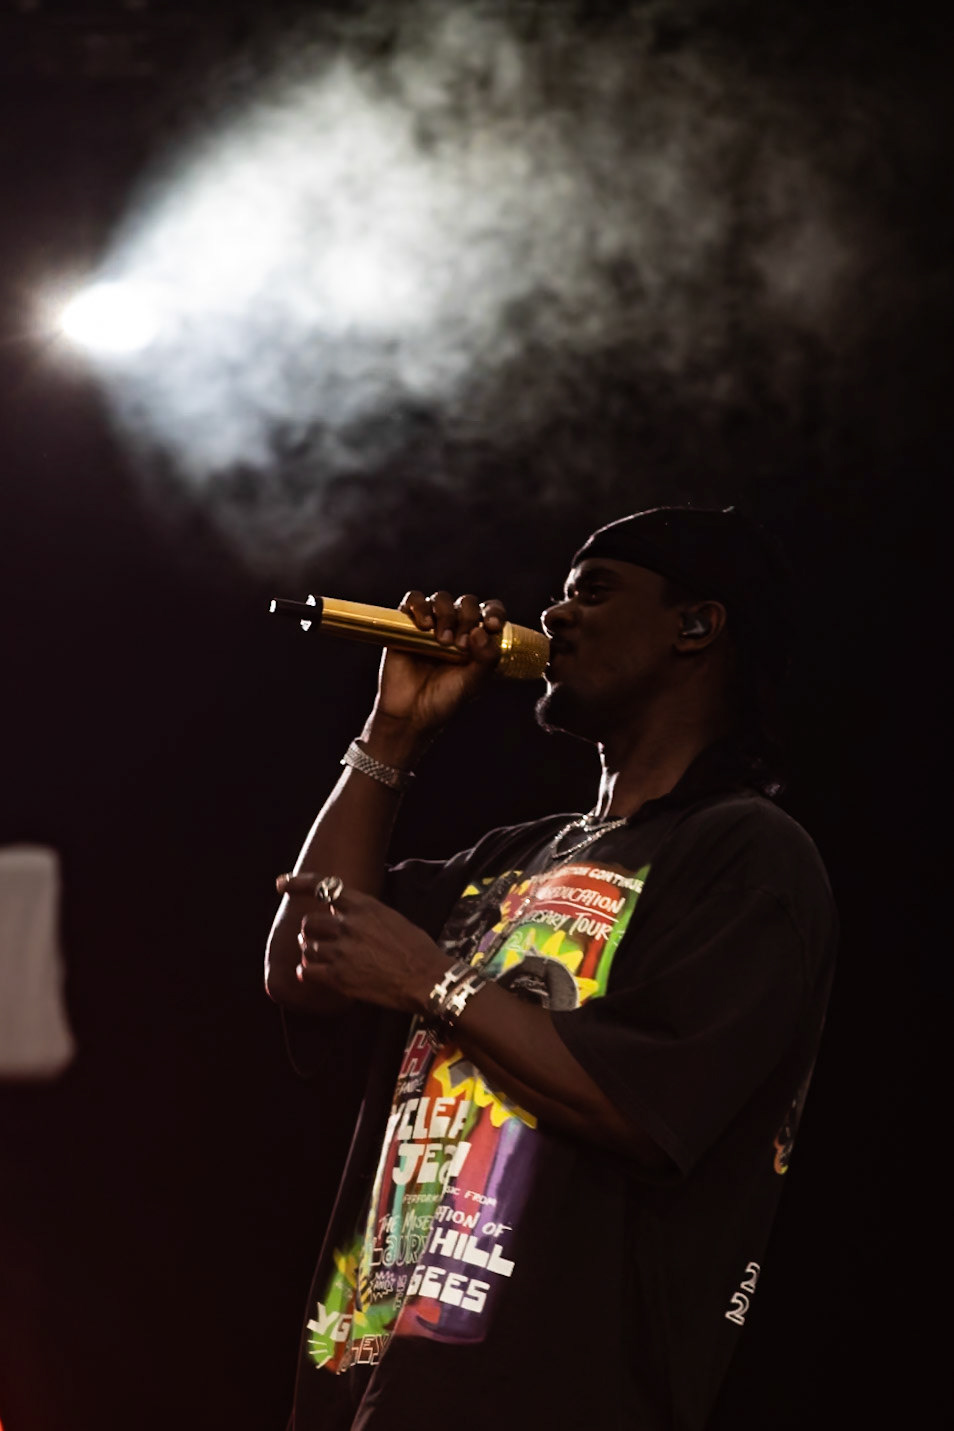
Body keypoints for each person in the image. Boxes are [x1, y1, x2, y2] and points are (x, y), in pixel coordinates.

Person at [265, 506, 836, 1431]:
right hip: (367, 1390)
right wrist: (391, 734)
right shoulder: (508, 857)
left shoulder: (747, 854)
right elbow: (303, 963)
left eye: (594, 593)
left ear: (696, 625)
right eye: (562, 594)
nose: (556, 615)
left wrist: (431, 980)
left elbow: (642, 1106)